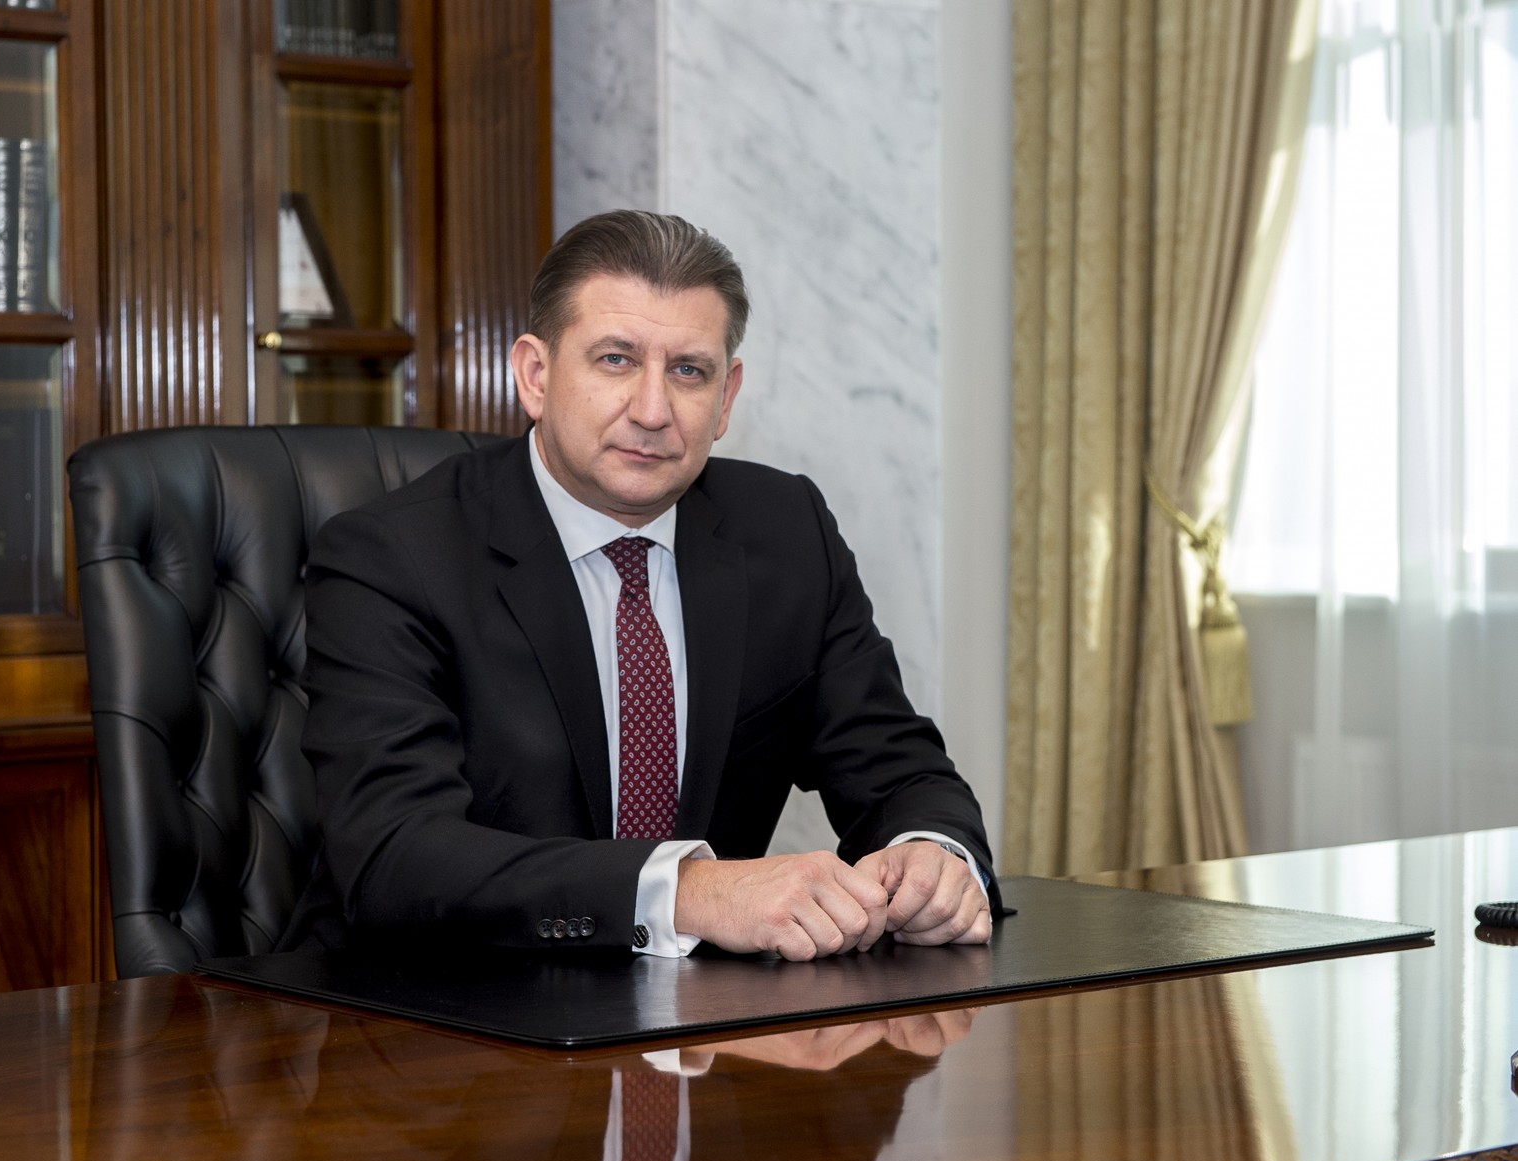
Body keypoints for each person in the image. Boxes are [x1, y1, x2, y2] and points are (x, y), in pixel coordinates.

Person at [279, 210, 1001, 961]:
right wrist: (684, 891)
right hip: (422, 1005)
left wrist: (932, 855)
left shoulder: (788, 532)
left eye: (688, 371)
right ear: (534, 375)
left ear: (726, 399)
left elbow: (897, 768)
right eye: (616, 360)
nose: (653, 411)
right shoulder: (393, 557)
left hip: (698, 1015)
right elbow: (394, 855)